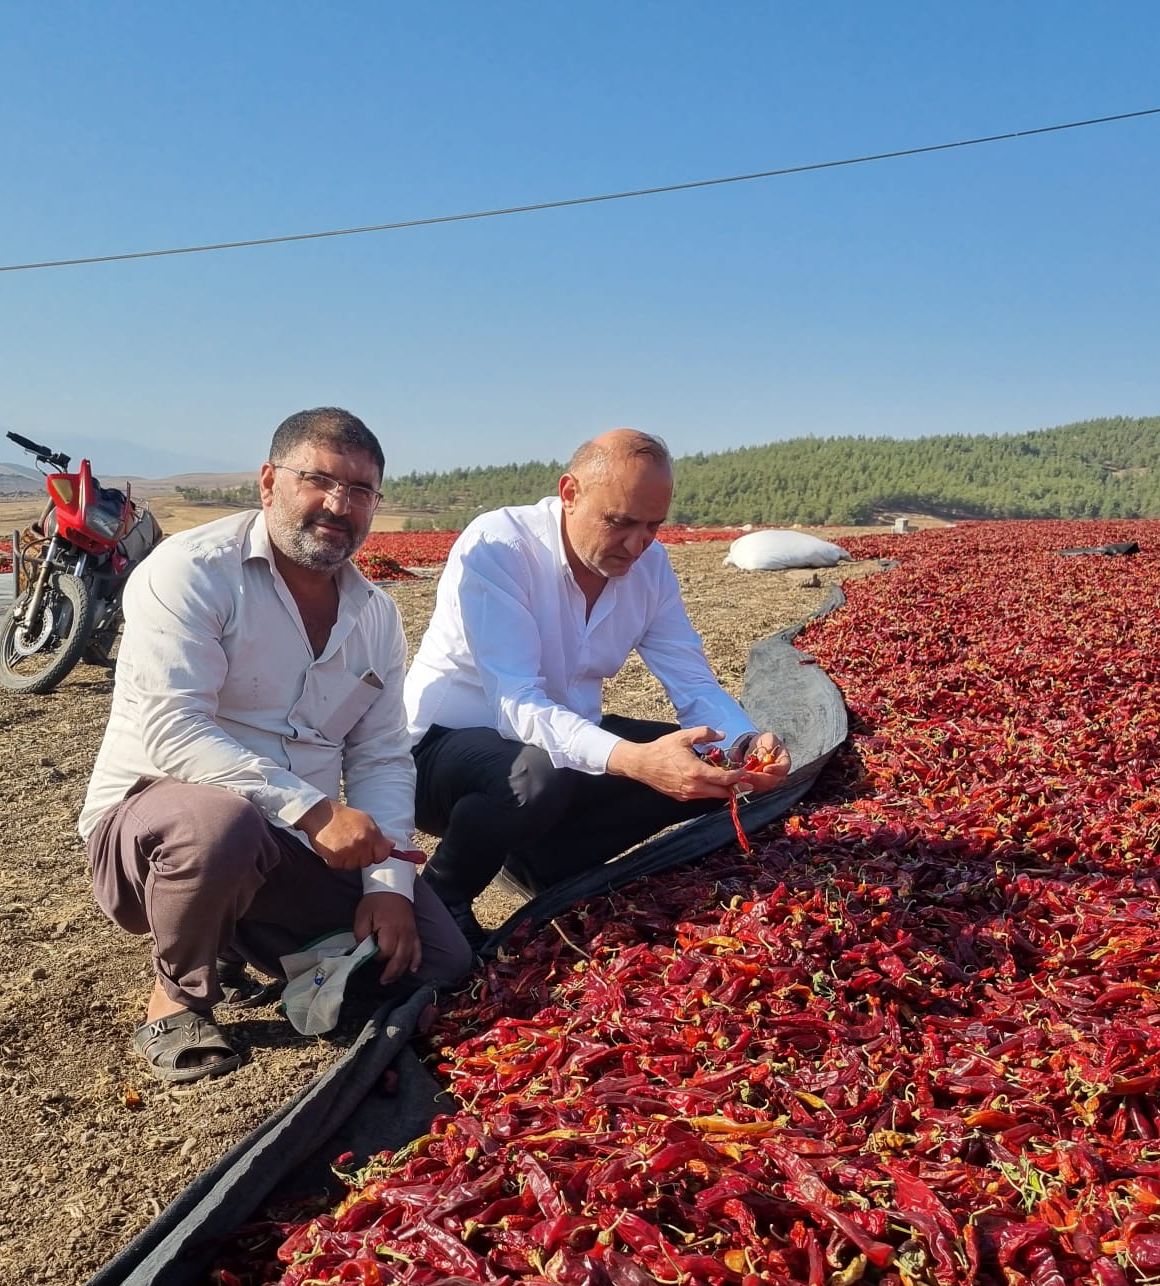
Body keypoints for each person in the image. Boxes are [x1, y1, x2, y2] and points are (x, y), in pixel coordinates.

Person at [78, 408, 474, 1083]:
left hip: (285, 846)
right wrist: (314, 811)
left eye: (360, 491)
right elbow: (174, 733)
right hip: (158, 831)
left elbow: (379, 756)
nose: (338, 505)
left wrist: (389, 886)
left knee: (438, 963)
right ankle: (176, 999)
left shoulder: (373, 615)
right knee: (221, 825)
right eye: (318, 480)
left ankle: (244, 935)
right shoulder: (193, 573)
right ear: (268, 482)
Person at [404, 428, 792, 941]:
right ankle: (441, 899)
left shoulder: (649, 567)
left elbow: (691, 679)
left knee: (708, 766)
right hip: (441, 754)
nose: (637, 544)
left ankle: (543, 864)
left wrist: (743, 744)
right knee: (536, 776)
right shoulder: (502, 546)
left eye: (653, 525)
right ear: (570, 494)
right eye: (620, 522)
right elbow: (516, 704)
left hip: (562, 741)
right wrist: (637, 761)